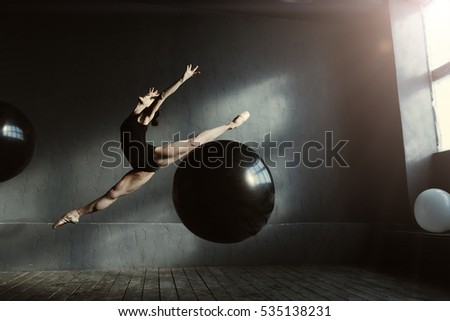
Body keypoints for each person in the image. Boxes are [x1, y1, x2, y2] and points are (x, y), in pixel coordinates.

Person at [52, 64, 250, 229]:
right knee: (113, 193)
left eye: (150, 99)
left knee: (193, 143)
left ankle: (230, 125)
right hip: (142, 168)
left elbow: (163, 96)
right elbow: (149, 100)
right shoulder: (132, 115)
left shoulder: (144, 118)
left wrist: (183, 78)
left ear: (150, 108)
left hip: (152, 156)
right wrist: (146, 99)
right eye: (149, 97)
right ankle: (75, 214)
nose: (149, 95)